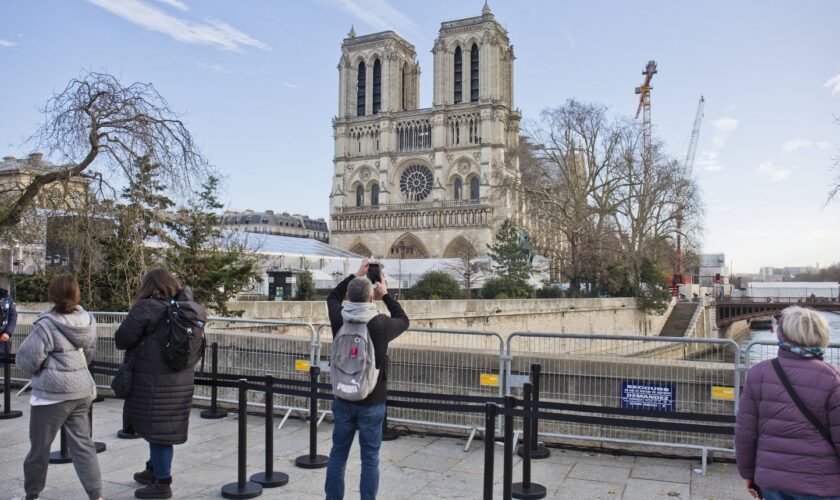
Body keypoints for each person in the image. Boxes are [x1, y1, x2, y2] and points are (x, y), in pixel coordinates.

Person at [115, 269, 205, 500]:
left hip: (153, 381)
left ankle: (162, 482)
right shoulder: (184, 311)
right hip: (179, 381)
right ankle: (153, 468)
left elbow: (122, 339)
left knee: (157, 433)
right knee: (160, 429)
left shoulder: (146, 308)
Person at [325, 258, 409, 500]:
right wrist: (386, 295)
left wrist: (355, 275)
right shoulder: (380, 324)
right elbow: (403, 319)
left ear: (349, 298)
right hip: (373, 400)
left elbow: (332, 297)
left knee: (338, 455)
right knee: (370, 459)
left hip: (343, 396)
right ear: (371, 297)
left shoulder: (339, 317)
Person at [736, 306, 840, 500]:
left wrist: (748, 473)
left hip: (772, 480)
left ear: (781, 334)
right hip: (821, 484)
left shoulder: (759, 373)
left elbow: (746, 433)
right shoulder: (832, 378)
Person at [16, 276, 102, 500]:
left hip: (52, 395)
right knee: (84, 446)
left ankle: (32, 494)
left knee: (39, 448)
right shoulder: (88, 321)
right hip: (81, 390)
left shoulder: (46, 324)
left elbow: (27, 361)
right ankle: (97, 495)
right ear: (77, 294)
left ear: (52, 295)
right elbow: (90, 354)